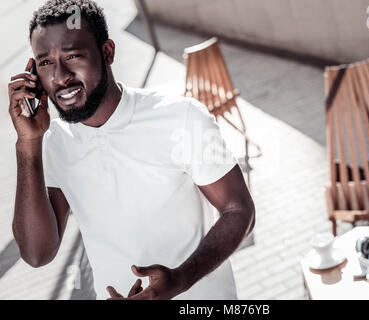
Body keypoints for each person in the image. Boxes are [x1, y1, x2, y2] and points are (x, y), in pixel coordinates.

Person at [8, 0, 254, 300]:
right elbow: (37, 254)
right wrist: (28, 143)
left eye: (73, 55)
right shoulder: (51, 143)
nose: (59, 76)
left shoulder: (180, 117)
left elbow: (238, 210)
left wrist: (180, 280)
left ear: (107, 52)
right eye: (45, 62)